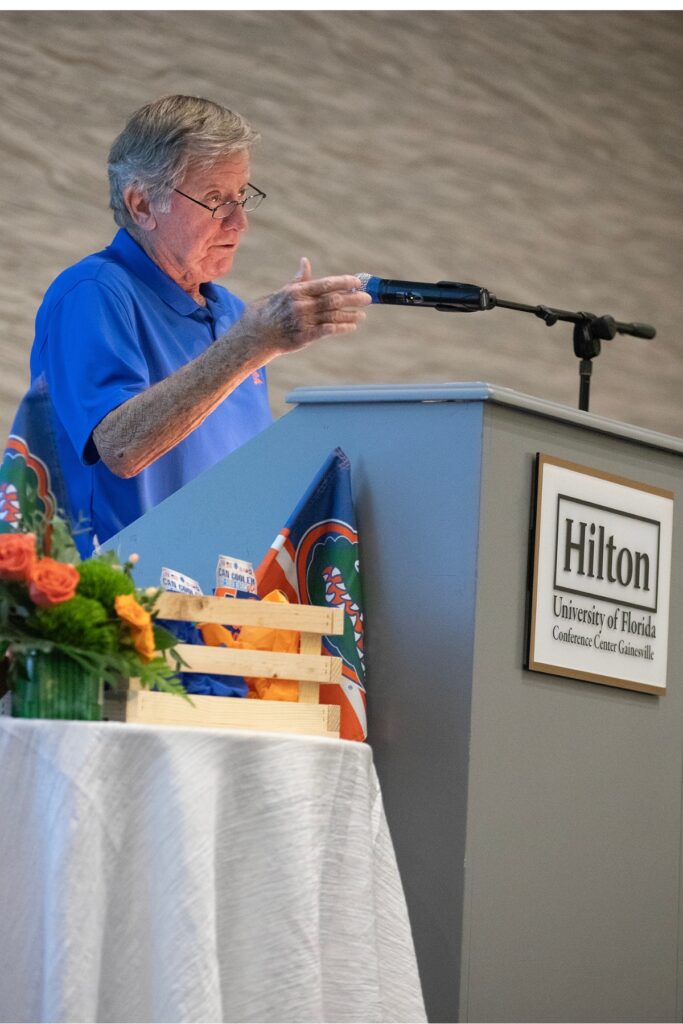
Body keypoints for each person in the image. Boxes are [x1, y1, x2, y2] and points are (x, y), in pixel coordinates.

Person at [1, 95, 370, 556]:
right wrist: (249, 346)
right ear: (141, 204)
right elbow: (119, 447)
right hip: (117, 602)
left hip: (220, 609)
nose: (239, 223)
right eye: (215, 199)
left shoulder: (236, 315)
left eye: (242, 197)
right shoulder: (94, 291)